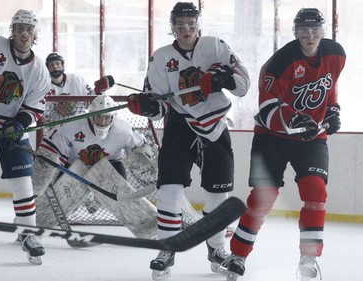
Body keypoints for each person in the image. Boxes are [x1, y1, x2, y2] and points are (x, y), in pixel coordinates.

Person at [127, 2, 250, 279]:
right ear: (172, 26)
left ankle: (217, 249)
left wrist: (222, 80)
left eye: (190, 24)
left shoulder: (215, 46)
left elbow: (243, 85)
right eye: (180, 24)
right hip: (180, 126)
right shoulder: (160, 58)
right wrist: (147, 106)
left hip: (215, 126)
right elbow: (158, 105)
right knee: (169, 189)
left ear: (198, 25)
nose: (185, 29)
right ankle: (167, 248)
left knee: (218, 195)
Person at [225, 8, 346, 281]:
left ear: (323, 31)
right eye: (304, 30)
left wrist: (333, 111)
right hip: (272, 137)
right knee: (262, 198)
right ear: (295, 32)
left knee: (316, 191)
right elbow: (267, 110)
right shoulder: (278, 63)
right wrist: (296, 122)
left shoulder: (336, 54)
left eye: (315, 29)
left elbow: (329, 87)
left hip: (312, 138)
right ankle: (238, 255)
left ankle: (309, 258)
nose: (310, 35)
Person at [33, 95, 159, 239]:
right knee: (61, 198)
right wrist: (45, 177)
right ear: (90, 114)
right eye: (98, 117)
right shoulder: (71, 124)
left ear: (113, 117)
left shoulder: (124, 129)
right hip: (76, 165)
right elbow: (50, 150)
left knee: (121, 197)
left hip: (111, 164)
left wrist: (146, 164)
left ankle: (148, 228)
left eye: (107, 117)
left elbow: (143, 148)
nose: (103, 121)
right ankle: (31, 227)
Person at [0, 9, 51, 265]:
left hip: (10, 127)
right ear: (12, 31)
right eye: (19, 28)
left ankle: (28, 234)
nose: (23, 34)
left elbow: (34, 108)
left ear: (35, 34)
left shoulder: (39, 70)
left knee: (23, 182)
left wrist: (18, 124)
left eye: (28, 30)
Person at [44, 52, 113, 121]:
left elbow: (88, 103)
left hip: (79, 124)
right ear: (47, 68)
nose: (55, 66)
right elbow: (45, 113)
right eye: (51, 65)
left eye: (57, 63)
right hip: (56, 126)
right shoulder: (44, 86)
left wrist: (98, 90)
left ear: (63, 66)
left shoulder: (76, 79)